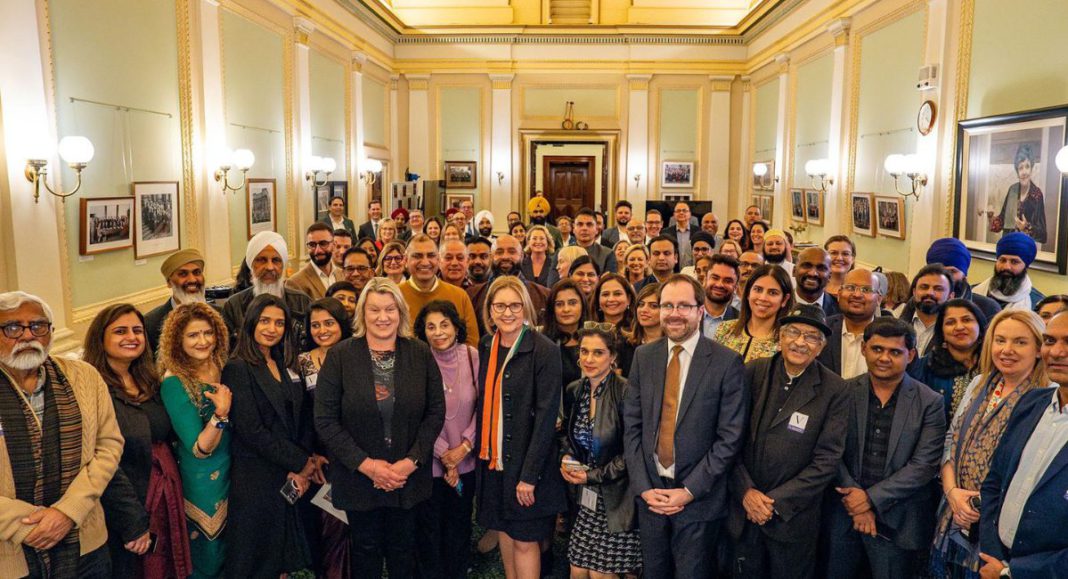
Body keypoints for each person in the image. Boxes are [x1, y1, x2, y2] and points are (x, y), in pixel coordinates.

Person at [314, 278, 446, 579]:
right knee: (365, 553)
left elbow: (435, 413)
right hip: (359, 479)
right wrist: (368, 466)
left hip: (407, 478)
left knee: (404, 554)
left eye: (390, 309)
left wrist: (410, 462)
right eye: (374, 310)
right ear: (363, 313)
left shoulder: (420, 353)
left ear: (401, 312)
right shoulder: (340, 356)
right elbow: (325, 419)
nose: (383, 317)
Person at [623, 274, 748, 578]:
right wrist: (644, 488)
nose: (674, 313)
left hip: (698, 499)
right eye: (667, 305)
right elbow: (632, 427)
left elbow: (729, 438)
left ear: (700, 311)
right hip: (651, 496)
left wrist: (689, 491)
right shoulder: (644, 356)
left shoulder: (726, 362)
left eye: (683, 306)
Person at [0, 292, 123, 578]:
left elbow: (109, 446)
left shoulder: (84, 377)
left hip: (84, 542)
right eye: (13, 327)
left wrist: (68, 512)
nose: (27, 336)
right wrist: (23, 525)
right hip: (9, 557)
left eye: (38, 326)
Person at [728, 304, 850, 579]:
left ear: (821, 347)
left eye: (811, 337)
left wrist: (773, 502)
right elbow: (729, 438)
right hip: (743, 511)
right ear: (780, 337)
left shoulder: (835, 389)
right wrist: (746, 492)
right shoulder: (753, 372)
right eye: (793, 332)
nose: (800, 342)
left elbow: (827, 460)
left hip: (793, 519)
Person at [820, 318, 947, 579]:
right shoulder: (842, 391)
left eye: (895, 352)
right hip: (844, 512)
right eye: (877, 349)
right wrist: (855, 500)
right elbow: (830, 450)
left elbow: (923, 465)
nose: (884, 358)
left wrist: (869, 500)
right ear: (864, 348)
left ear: (911, 355)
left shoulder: (930, 402)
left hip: (898, 520)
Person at [931, 309, 1053, 578]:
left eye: (1020, 342)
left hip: (999, 526)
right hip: (953, 512)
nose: (1007, 350)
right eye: (1000, 340)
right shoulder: (979, 383)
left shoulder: (1047, 398)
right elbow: (951, 440)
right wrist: (953, 493)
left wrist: (980, 503)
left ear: (1038, 349)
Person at [84, 304, 187, 578]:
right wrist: (131, 522)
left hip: (163, 493)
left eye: (137, 331)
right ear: (100, 339)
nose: (131, 337)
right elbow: (101, 462)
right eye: (120, 331)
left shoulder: (148, 379)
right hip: (122, 506)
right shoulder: (92, 388)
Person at [223, 294, 323, 577]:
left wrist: (302, 464)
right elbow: (251, 430)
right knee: (257, 561)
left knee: (281, 561)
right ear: (251, 323)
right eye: (265, 321)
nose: (272, 328)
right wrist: (301, 463)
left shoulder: (283, 362)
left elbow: (301, 414)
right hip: (256, 478)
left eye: (279, 323)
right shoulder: (237, 367)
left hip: (288, 473)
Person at [475, 277, 566, 579]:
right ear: (490, 310)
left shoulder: (544, 349)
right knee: (504, 531)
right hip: (494, 462)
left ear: (526, 307)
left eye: (515, 305)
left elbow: (546, 418)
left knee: (525, 541)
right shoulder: (486, 345)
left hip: (528, 466)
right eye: (500, 306)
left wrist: (529, 476)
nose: (507, 312)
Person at [977, 311, 1068, 579]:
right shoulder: (1031, 402)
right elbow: (994, 481)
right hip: (995, 561)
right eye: (1049, 341)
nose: (1057, 352)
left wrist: (1013, 572)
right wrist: (992, 552)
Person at [559, 324, 642, 577]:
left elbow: (632, 452)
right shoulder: (576, 390)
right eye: (584, 351)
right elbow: (567, 435)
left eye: (598, 353)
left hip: (618, 499)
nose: (589, 359)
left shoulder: (626, 391)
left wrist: (591, 476)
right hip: (586, 497)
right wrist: (567, 457)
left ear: (612, 356)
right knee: (577, 570)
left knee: (600, 574)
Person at [157, 302, 233, 578]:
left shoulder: (221, 363)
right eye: (193, 335)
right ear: (177, 340)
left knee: (233, 549)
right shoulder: (174, 382)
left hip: (236, 467)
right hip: (203, 480)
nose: (203, 341)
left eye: (208, 332)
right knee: (208, 554)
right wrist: (220, 414)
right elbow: (200, 448)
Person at [413, 301, 480, 579]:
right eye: (431, 327)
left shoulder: (472, 357)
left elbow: (484, 407)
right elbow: (417, 414)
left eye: (444, 325)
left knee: (459, 527)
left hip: (467, 462)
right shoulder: (418, 361)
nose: (438, 332)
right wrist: (444, 454)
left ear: (456, 327)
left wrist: (464, 447)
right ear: (423, 331)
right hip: (429, 465)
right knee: (430, 532)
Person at [298, 298, 353, 578]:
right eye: (315, 325)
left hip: (356, 455)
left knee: (357, 529)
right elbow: (301, 415)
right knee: (329, 527)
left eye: (329, 323)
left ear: (341, 323)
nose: (322, 330)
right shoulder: (303, 362)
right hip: (322, 459)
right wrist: (311, 455)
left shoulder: (359, 355)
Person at [222, 231, 311, 349]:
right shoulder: (234, 306)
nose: (269, 267)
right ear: (251, 265)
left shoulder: (302, 302)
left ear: (283, 265)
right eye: (262, 260)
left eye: (276, 260)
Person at [909, 299, 989, 422]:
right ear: (942, 331)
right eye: (950, 322)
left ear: (980, 325)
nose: (959, 327)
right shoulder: (926, 367)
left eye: (966, 320)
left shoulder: (995, 365)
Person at [398, 234, 481, 346]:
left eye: (431, 255)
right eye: (417, 256)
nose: (425, 262)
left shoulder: (460, 295)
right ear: (405, 260)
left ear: (438, 260)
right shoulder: (395, 295)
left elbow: (472, 343)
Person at [714, 265, 794, 363]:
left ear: (784, 299)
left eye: (773, 293)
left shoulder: (787, 342)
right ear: (748, 293)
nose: (763, 298)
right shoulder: (725, 329)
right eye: (758, 289)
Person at [819, 268, 884, 379]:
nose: (857, 295)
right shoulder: (821, 329)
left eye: (866, 289)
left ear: (879, 299)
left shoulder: (889, 337)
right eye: (850, 288)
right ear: (839, 294)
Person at [144, 248, 213, 352]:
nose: (192, 280)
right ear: (169, 282)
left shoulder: (220, 314)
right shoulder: (151, 323)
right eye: (183, 274)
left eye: (197, 272)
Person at [925, 238, 1001, 320]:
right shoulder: (918, 304)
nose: (945, 278)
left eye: (952, 271)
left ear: (964, 275)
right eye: (939, 271)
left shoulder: (988, 309)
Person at [972, 233, 1046, 312]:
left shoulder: (1038, 305)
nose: (1006, 267)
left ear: (1026, 266)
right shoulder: (973, 293)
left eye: (1014, 262)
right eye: (1002, 260)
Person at [991, 143, 1047, 244]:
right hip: (1007, 244)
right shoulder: (1012, 190)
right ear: (1017, 172)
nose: (1024, 172)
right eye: (1020, 168)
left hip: (1024, 248)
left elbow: (1043, 235)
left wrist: (1027, 227)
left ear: (1031, 169)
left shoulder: (1037, 194)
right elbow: (1002, 221)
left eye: (1027, 166)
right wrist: (991, 217)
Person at [896, 264, 955, 356]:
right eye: (924, 287)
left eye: (938, 289)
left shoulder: (955, 332)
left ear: (950, 297)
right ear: (914, 292)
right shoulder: (896, 325)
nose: (930, 293)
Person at [543, 279, 590, 391]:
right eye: (559, 304)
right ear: (552, 309)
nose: (566, 309)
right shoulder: (543, 343)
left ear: (582, 305)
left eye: (572, 303)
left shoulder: (595, 340)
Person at [287, 222, 338, 300]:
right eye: (312, 245)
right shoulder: (295, 283)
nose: (318, 250)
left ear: (334, 245)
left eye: (323, 243)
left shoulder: (342, 275)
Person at [701, 254, 740, 337]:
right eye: (715, 278)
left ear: (735, 287)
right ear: (705, 280)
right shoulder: (687, 313)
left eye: (728, 281)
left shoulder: (741, 322)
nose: (719, 285)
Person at [794, 248, 840, 317]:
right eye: (806, 266)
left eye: (821, 268)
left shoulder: (840, 309)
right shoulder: (779, 303)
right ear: (794, 271)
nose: (813, 273)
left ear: (829, 276)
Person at [574, 208, 618, 274]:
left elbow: (609, 279)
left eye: (589, 224)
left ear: (596, 230)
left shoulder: (608, 254)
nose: (584, 228)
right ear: (573, 229)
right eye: (580, 224)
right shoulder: (563, 253)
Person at [628, 282, 663, 346]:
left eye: (653, 306)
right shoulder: (626, 343)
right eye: (641, 304)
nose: (644, 310)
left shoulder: (674, 344)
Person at [665, 202, 696, 268]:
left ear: (690, 214)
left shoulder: (698, 231)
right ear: (674, 214)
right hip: (672, 270)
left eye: (684, 211)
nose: (681, 213)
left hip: (692, 270)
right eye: (678, 211)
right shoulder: (666, 232)